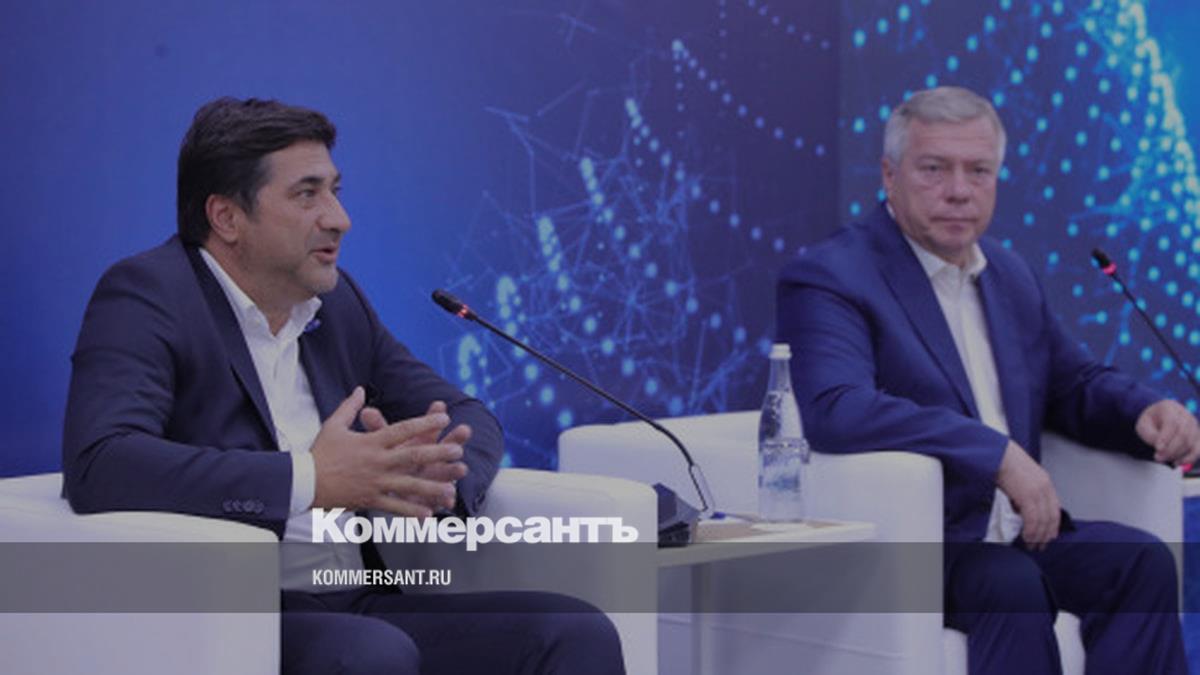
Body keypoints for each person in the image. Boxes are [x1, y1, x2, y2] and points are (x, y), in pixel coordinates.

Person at [62, 97, 624, 675]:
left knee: (572, 632)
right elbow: (101, 462)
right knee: (372, 653)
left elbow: (460, 412)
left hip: (358, 603)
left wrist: (436, 477)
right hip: (233, 619)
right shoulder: (149, 294)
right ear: (227, 217)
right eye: (307, 195)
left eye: (334, 190)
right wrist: (313, 479)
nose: (339, 218)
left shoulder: (335, 303)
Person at [777, 86, 1200, 675]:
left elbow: (1071, 385)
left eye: (978, 171)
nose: (959, 190)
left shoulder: (1007, 273)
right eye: (934, 169)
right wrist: (995, 454)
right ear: (889, 176)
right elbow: (838, 409)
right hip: (927, 542)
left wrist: (1144, 413)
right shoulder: (833, 275)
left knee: (1139, 562)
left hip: (1022, 532)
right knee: (1011, 583)